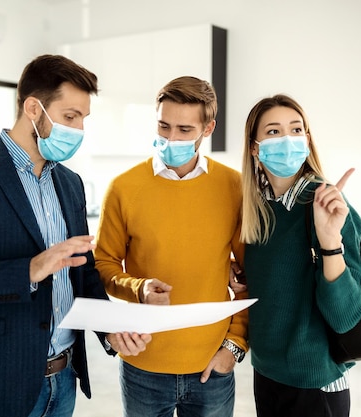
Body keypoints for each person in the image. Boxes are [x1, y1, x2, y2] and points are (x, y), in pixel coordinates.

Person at [0, 54, 151, 417]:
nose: (79, 130)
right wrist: (28, 270)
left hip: (64, 378)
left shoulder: (70, 183)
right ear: (33, 108)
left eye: (83, 119)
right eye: (70, 116)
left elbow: (83, 273)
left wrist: (112, 330)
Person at [94, 76, 248, 417]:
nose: (170, 138)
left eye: (183, 129)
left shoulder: (234, 187)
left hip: (212, 364)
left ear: (208, 129)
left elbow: (250, 274)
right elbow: (102, 265)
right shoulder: (124, 187)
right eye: (163, 126)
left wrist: (234, 346)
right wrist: (139, 287)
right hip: (142, 364)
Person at [239, 94, 361, 417]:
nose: (287, 139)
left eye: (296, 130)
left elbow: (347, 317)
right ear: (254, 147)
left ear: (307, 141)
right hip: (267, 375)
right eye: (273, 132)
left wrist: (329, 241)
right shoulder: (256, 209)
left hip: (315, 384)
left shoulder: (327, 204)